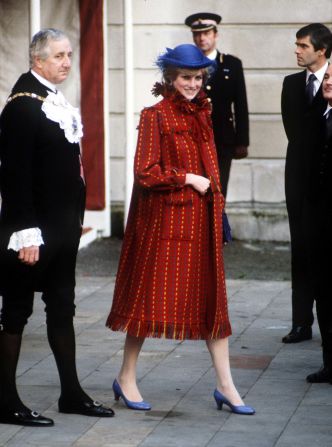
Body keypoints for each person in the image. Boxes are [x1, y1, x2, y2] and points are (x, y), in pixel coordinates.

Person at [106, 44, 255, 416]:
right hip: (166, 226)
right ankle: (126, 377)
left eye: (198, 77)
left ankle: (226, 386)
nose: (192, 84)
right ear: (170, 78)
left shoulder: (204, 112)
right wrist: (187, 178)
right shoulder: (155, 115)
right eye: (185, 77)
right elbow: (145, 172)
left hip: (201, 224)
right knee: (148, 301)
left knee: (212, 304)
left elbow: (213, 171)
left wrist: (219, 210)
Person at [0, 28, 114, 427]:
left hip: (62, 230)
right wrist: (26, 234)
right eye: (60, 56)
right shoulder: (22, 106)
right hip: (31, 234)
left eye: (69, 54)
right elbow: (14, 178)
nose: (67, 61)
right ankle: (5, 400)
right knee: (15, 313)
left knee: (62, 307)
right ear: (38, 60)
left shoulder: (51, 98)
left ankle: (71, 393)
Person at [281, 23, 331, 344]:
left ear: (321, 50)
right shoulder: (291, 84)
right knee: (300, 248)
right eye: (297, 45)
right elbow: (295, 133)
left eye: (303, 46)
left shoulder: (331, 83)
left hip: (328, 181)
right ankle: (301, 322)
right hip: (299, 179)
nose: (297, 50)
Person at [184, 12, 249, 198]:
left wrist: (242, 141)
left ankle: (218, 227)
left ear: (215, 35)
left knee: (219, 190)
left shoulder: (232, 64)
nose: (201, 38)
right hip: (192, 136)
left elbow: (241, 103)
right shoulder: (186, 65)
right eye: (197, 34)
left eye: (206, 33)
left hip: (223, 138)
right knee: (195, 191)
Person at [303, 62, 332, 384]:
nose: (328, 82)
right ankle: (329, 363)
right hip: (319, 221)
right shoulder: (315, 117)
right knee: (323, 292)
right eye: (327, 77)